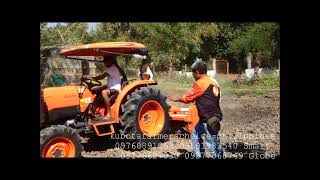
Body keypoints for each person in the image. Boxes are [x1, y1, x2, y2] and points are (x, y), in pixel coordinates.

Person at [168, 59, 224, 158]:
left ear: (197, 72)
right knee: (196, 135)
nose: (193, 76)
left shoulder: (200, 83)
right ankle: (199, 156)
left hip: (208, 119)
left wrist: (176, 98)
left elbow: (188, 98)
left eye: (193, 73)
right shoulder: (214, 83)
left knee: (212, 144)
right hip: (212, 117)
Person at [88, 55, 127, 121]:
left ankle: (109, 113)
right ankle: (92, 110)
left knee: (104, 92)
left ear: (110, 61)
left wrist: (90, 78)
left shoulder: (112, 68)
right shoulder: (111, 68)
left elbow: (102, 76)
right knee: (95, 89)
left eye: (105, 61)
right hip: (111, 87)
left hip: (116, 89)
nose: (104, 63)